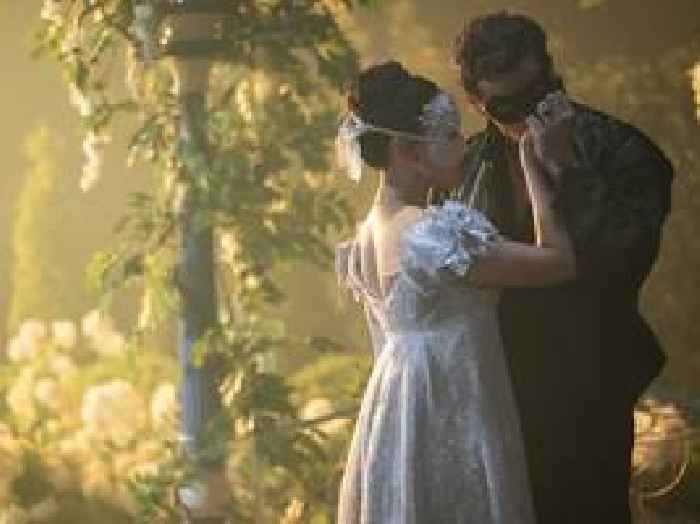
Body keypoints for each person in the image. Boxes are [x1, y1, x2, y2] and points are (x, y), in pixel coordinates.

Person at [442, 11, 674, 523]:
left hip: (589, 375)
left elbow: (624, 261)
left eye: (537, 94)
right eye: (507, 105)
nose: (527, 114)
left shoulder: (623, 150)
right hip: (500, 380)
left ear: (552, 72)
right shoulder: (465, 167)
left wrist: (566, 170)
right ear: (476, 102)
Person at [335, 60, 576, 524]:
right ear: (407, 150)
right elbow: (559, 262)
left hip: (400, 412)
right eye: (448, 135)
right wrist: (532, 163)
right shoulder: (433, 235)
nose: (463, 145)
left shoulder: (367, 235)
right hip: (454, 404)